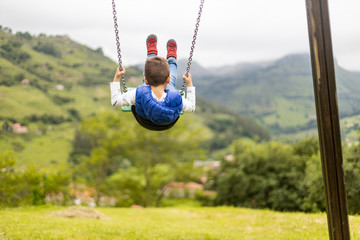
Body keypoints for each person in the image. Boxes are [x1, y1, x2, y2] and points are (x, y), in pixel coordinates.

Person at [110, 34, 196, 126]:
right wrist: (189, 84)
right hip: (166, 123)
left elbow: (115, 101)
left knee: (145, 90)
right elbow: (192, 107)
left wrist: (117, 77)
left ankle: (153, 53)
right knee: (171, 85)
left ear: (146, 80)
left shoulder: (137, 94)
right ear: (168, 79)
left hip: (144, 119)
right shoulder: (176, 98)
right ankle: (171, 58)